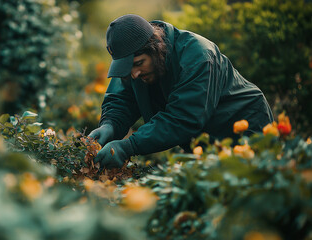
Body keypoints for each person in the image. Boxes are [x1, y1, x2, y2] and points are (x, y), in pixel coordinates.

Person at [89, 14, 274, 169]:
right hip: (205, 138)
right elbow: (121, 98)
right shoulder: (133, 67)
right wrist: (110, 125)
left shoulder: (198, 56)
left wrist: (129, 146)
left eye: (139, 64)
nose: (134, 74)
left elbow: (182, 118)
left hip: (246, 125)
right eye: (128, 68)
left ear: (156, 48)